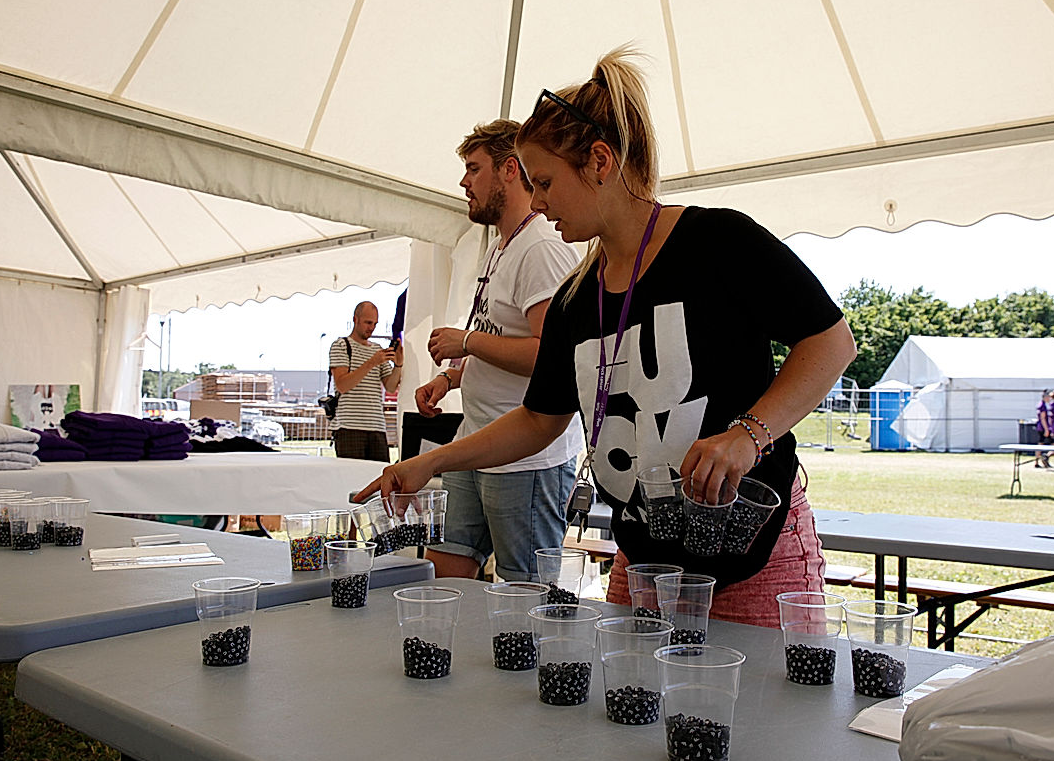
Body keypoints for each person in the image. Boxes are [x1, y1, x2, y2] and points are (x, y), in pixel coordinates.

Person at [358, 47, 856, 628]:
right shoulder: (576, 296)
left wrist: (747, 435)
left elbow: (830, 342)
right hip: (643, 561)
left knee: (762, 719)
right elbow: (539, 419)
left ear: (599, 161)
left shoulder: (718, 242)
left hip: (752, 562)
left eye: (544, 182)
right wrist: (432, 463)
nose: (538, 202)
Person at [413, 119, 583, 581]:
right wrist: (450, 377)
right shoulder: (504, 245)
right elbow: (501, 336)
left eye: (473, 168)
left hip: (525, 456)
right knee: (446, 565)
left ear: (510, 169)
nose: (464, 182)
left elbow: (553, 358)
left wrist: (465, 341)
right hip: (476, 440)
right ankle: (442, 650)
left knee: (524, 586)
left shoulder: (542, 247)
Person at [329, 302, 403, 461]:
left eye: (375, 324)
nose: (371, 328)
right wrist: (371, 363)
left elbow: (390, 387)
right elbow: (342, 385)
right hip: (349, 427)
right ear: (355, 319)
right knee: (352, 479)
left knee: (380, 478)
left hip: (377, 426)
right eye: (368, 323)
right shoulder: (341, 345)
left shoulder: (377, 349)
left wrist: (398, 364)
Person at [1034, 388, 1052, 468]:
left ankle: (1038, 461)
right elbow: (1043, 418)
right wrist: (1046, 429)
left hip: (1041, 427)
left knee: (1040, 444)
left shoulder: (1042, 405)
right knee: (1041, 444)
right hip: (1042, 428)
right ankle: (1039, 460)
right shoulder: (1042, 406)